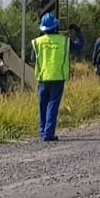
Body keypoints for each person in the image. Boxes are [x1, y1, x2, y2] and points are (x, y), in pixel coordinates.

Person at [30, 12, 71, 142]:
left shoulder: (37, 42)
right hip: (58, 78)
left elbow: (32, 58)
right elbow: (80, 45)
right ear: (56, 26)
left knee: (43, 105)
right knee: (52, 105)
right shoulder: (64, 41)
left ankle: (42, 132)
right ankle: (49, 133)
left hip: (43, 78)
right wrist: (78, 33)